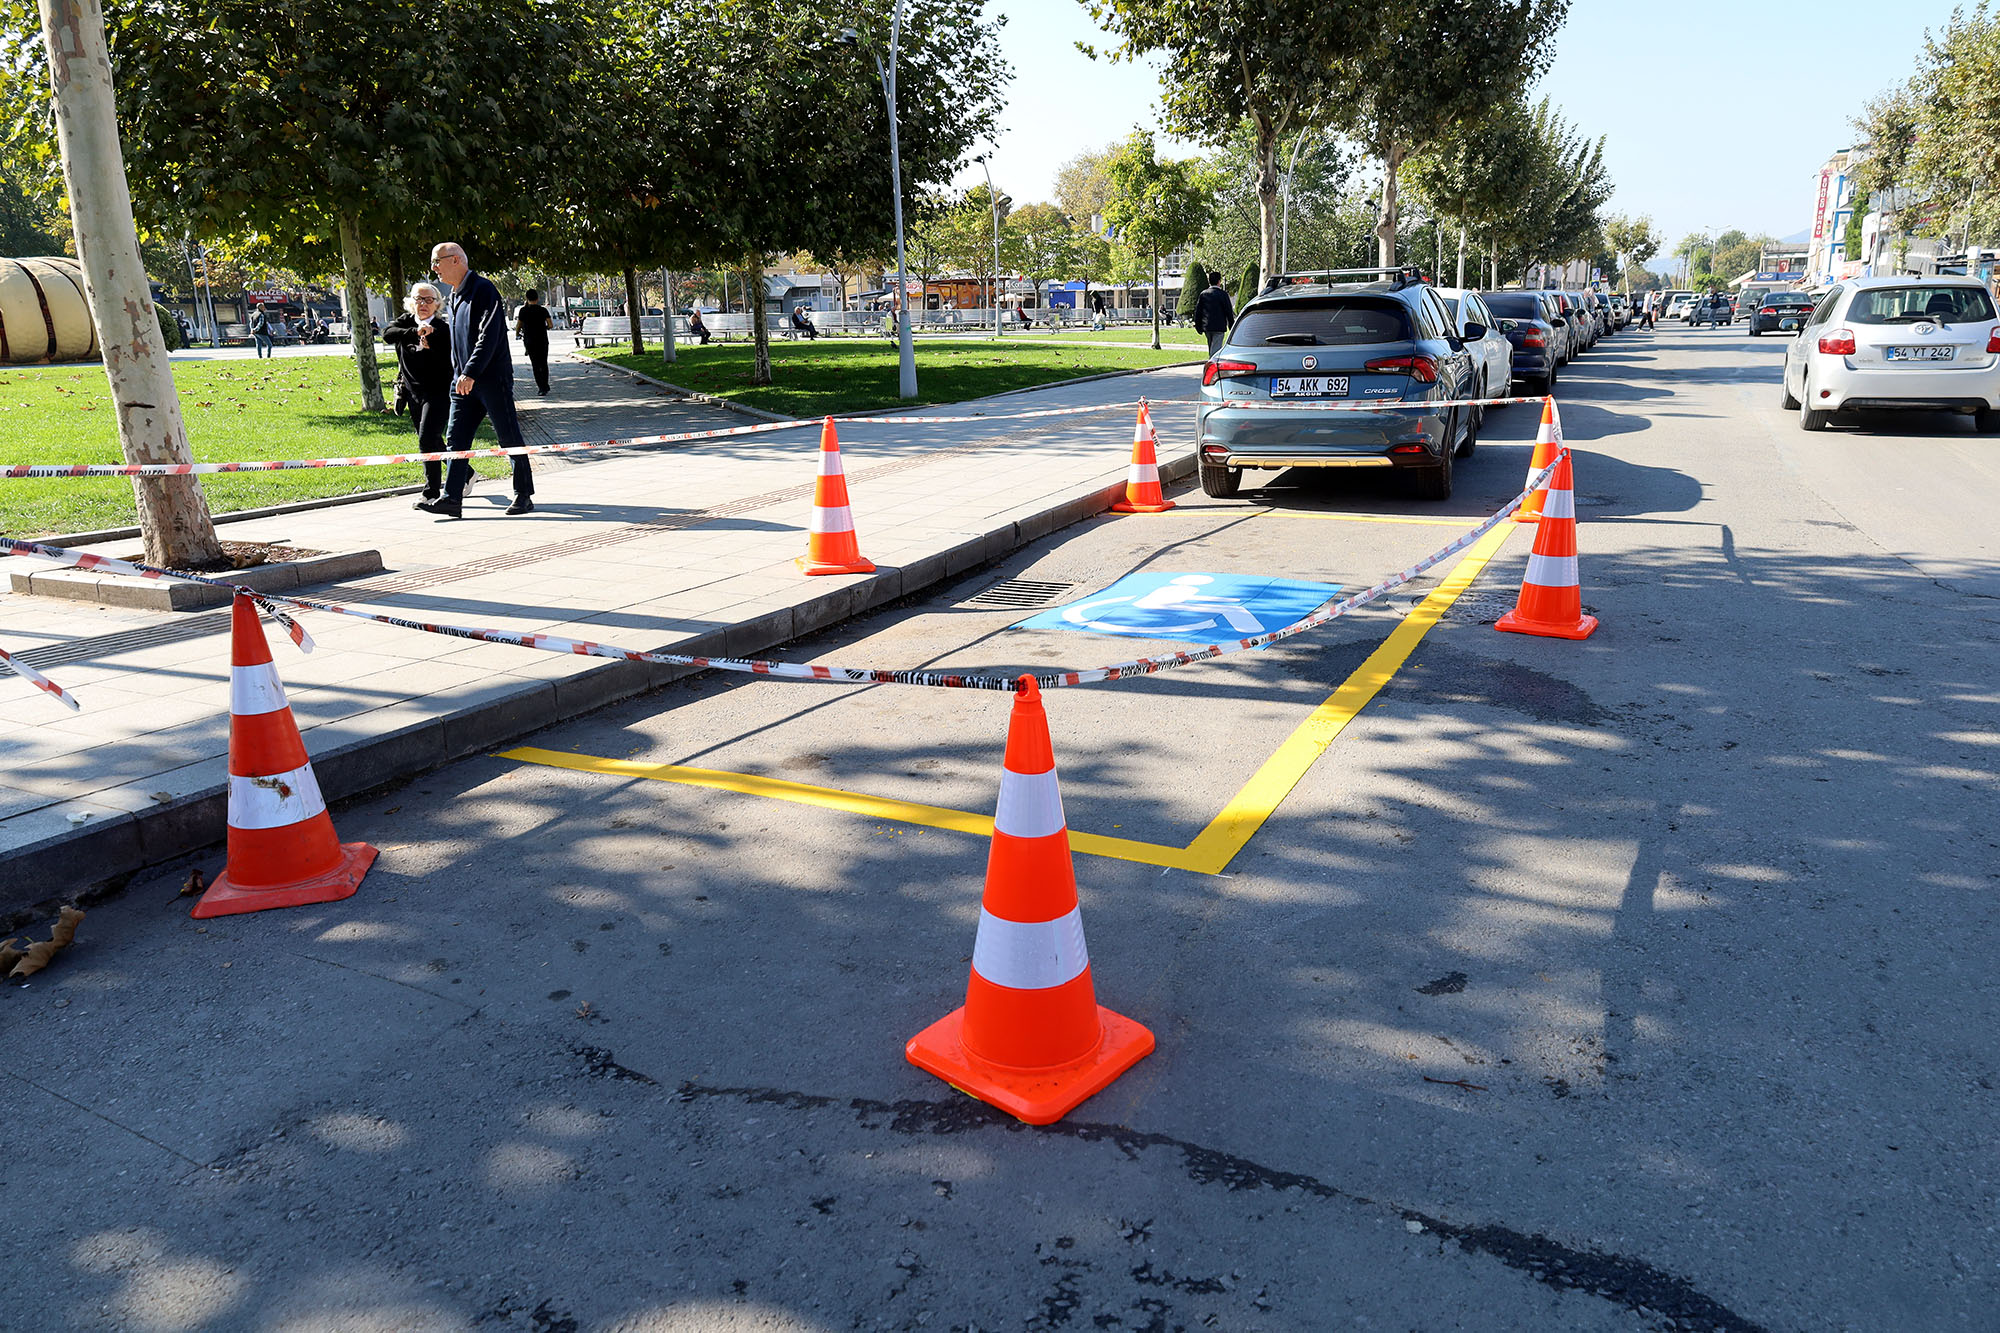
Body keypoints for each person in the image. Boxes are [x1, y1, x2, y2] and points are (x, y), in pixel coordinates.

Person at [417, 241, 535, 518]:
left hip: (490, 379)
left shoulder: (484, 290)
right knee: (455, 440)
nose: (434, 268)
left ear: (456, 260)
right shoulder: (455, 295)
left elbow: (489, 336)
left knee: (509, 437)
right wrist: (460, 373)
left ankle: (524, 494)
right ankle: (451, 498)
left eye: (437, 261)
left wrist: (470, 371)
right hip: (462, 383)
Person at [382, 283, 455, 506]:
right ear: (411, 302)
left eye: (429, 300)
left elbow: (448, 363)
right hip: (412, 392)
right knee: (430, 439)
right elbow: (388, 334)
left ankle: (431, 491)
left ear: (437, 303)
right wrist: (414, 332)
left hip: (438, 392)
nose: (423, 304)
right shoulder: (406, 321)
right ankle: (467, 472)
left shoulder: (443, 328)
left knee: (426, 439)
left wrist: (431, 344)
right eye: (419, 299)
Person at [514, 290, 554, 396]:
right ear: (537, 299)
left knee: (535, 365)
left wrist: (517, 334)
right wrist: (544, 328)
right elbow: (550, 325)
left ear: (527, 298)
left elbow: (518, 325)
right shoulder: (543, 310)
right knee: (543, 363)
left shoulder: (523, 311)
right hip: (542, 340)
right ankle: (545, 385)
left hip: (529, 341)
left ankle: (541, 387)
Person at [1194, 274, 1234, 356]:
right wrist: (1231, 326)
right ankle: (1213, 364)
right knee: (1216, 349)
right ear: (1219, 281)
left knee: (1211, 347)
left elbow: (1198, 312)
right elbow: (1228, 311)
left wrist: (1198, 326)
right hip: (1219, 326)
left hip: (1207, 326)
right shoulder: (1223, 294)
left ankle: (1212, 362)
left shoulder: (1203, 294)